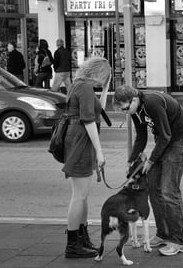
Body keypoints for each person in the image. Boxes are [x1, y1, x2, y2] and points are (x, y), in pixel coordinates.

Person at [113, 85, 183, 256]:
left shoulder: (152, 103)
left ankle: (178, 241)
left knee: (168, 191)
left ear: (134, 99)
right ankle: (163, 234)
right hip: (165, 142)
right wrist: (131, 160)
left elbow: (166, 135)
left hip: (181, 141)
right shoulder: (135, 110)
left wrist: (150, 161)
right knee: (153, 188)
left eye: (126, 108)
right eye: (123, 110)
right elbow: (141, 136)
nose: (126, 112)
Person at [63, 57, 111, 259]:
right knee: (79, 196)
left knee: (82, 195)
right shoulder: (84, 89)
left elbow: (98, 109)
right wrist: (100, 152)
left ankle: (81, 238)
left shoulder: (78, 85)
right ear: (98, 73)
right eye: (104, 77)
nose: (104, 80)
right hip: (81, 141)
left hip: (77, 139)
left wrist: (106, 88)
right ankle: (73, 244)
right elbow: (89, 120)